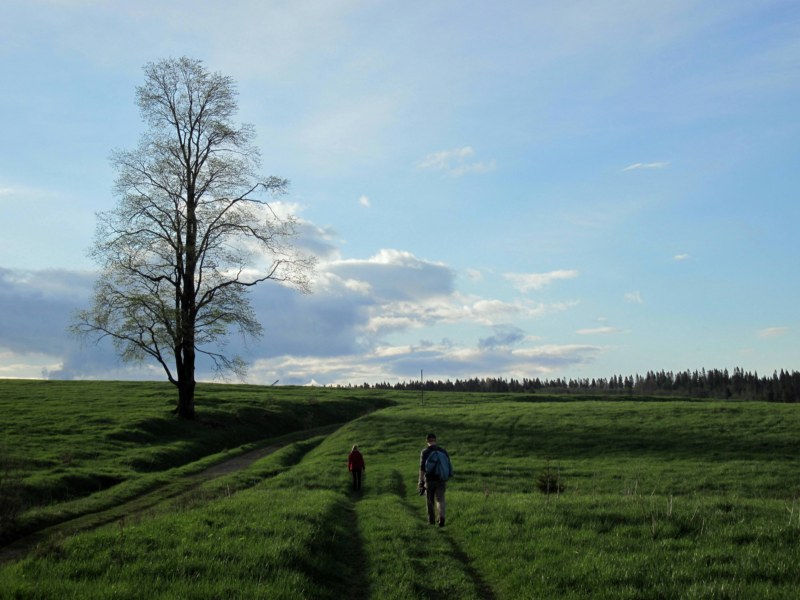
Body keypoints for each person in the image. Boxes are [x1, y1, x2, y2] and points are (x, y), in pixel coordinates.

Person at [418, 433, 451, 527]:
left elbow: (422, 468)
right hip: (441, 479)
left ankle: (431, 522)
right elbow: (448, 465)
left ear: (427, 441)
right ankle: (441, 517)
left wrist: (420, 482)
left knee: (430, 500)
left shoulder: (425, 452)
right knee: (440, 499)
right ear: (435, 440)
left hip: (429, 480)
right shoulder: (443, 451)